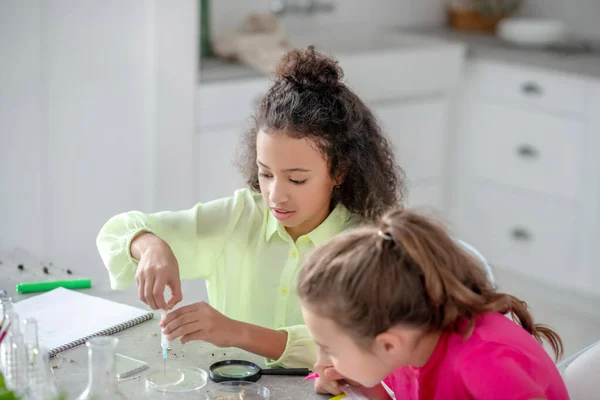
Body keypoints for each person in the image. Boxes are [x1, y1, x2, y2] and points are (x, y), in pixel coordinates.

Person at [96, 46, 404, 369]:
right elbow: (115, 231)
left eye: (296, 180)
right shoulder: (239, 218)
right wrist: (150, 246)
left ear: (339, 171)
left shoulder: (362, 244)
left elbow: (353, 347)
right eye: (266, 173)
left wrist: (235, 332)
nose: (275, 195)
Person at [297, 207, 569, 399]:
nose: (320, 364)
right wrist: (369, 391)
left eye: (328, 350)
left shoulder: (486, 365)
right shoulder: (408, 335)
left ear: (388, 344)